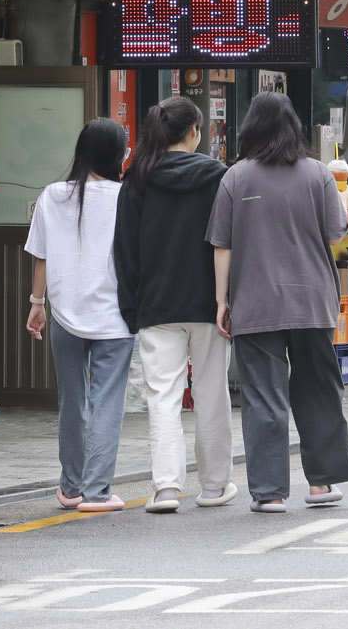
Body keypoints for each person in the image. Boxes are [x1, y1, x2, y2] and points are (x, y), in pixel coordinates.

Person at [208, 91, 348, 513]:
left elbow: (222, 246)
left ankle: (269, 492)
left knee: (263, 397)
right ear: (293, 126)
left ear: (250, 128)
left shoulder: (235, 177)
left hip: (255, 304)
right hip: (312, 301)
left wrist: (221, 301)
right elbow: (336, 232)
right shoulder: (318, 174)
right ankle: (323, 483)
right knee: (318, 390)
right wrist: (343, 196)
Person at [113, 96, 235, 514]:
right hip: (208, 303)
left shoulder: (137, 180)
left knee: (162, 397)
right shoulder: (218, 177)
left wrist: (131, 308)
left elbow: (124, 251)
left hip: (156, 304)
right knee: (211, 393)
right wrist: (229, 299)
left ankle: (166, 489)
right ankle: (215, 486)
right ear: (194, 133)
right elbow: (228, 243)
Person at [25, 118, 133, 513]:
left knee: (73, 400)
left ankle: (71, 486)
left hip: (64, 315)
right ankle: (97, 491)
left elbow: (42, 256)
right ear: (118, 155)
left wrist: (37, 304)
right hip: (115, 317)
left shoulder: (53, 195)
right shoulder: (127, 197)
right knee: (106, 401)